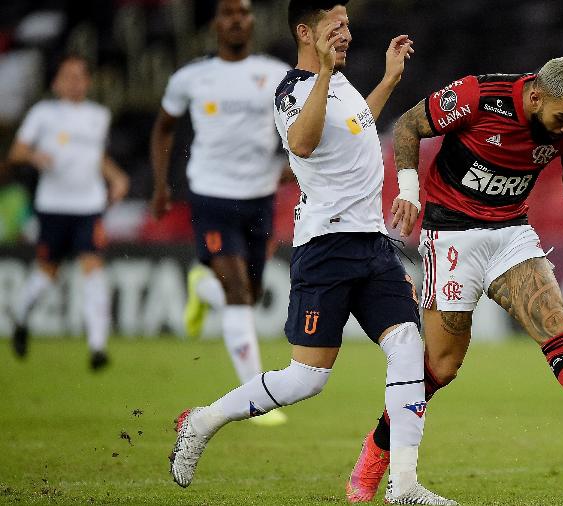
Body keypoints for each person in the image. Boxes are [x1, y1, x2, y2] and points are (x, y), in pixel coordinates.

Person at [345, 56, 563, 502]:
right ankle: (375, 454)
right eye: (561, 120)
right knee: (441, 368)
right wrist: (408, 192)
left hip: (511, 233)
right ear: (536, 95)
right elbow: (409, 126)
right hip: (450, 235)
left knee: (555, 323)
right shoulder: (477, 96)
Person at [168, 2, 456, 504]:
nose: (345, 34)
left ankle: (404, 485)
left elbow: (356, 125)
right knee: (308, 378)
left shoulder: (340, 84)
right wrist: (324, 69)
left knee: (408, 344)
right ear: (306, 32)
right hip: (326, 247)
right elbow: (302, 143)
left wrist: (388, 80)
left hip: (371, 243)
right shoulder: (291, 90)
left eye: (346, 26)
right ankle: (204, 420)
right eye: (333, 28)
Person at [150, 0, 292, 425]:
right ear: (216, 23)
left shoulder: (275, 74)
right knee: (237, 296)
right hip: (211, 196)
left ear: (252, 21)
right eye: (228, 12)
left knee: (246, 295)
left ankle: (200, 286)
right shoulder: (192, 77)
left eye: (245, 12)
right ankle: (255, 399)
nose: (236, 19)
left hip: (260, 197)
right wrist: (161, 185)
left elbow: (300, 124)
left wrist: (294, 161)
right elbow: (163, 128)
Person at [6, 54, 129, 370]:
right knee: (47, 272)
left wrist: (116, 177)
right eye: (68, 76)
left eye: (80, 76)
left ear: (88, 81)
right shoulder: (43, 113)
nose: (75, 82)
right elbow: (16, 152)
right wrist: (34, 155)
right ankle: (20, 315)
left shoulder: (98, 115)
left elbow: (95, 157)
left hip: (88, 206)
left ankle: (98, 346)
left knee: (93, 267)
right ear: (56, 82)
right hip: (54, 207)